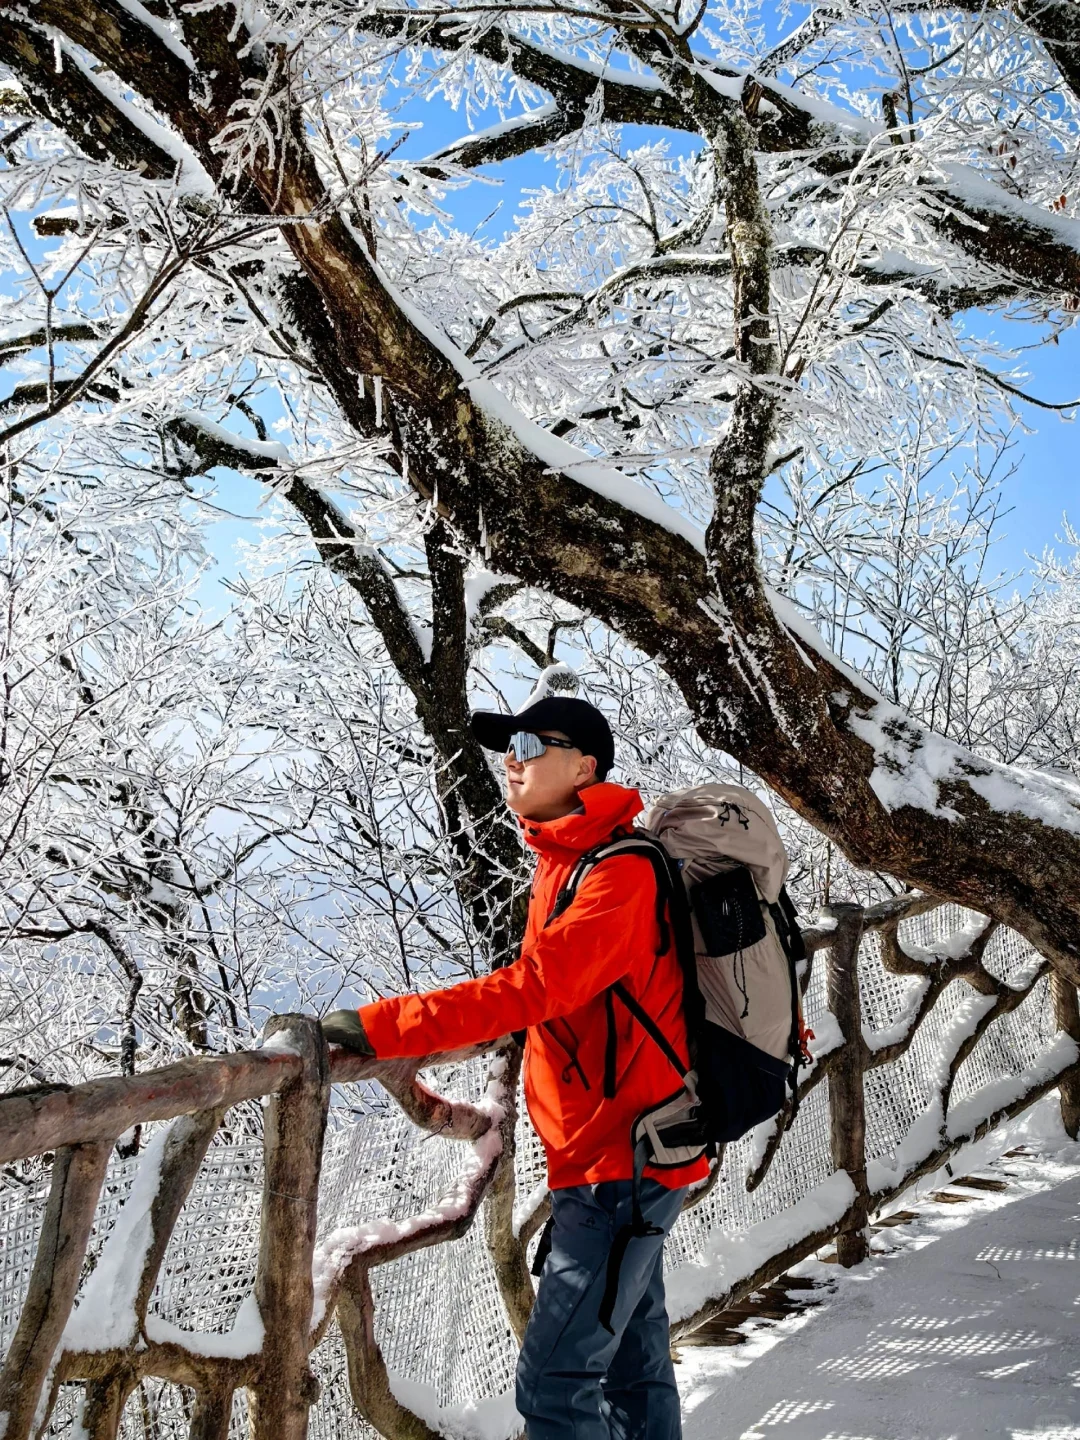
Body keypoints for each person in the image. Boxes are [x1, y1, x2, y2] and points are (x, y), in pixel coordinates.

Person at [322, 696, 708, 1440]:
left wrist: (383, 1026)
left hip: (618, 1162)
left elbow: (533, 989)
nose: (513, 758)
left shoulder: (617, 875)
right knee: (633, 1363)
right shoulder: (570, 860)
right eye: (509, 745)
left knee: (554, 1386)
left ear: (585, 767)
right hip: (611, 1153)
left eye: (533, 744)